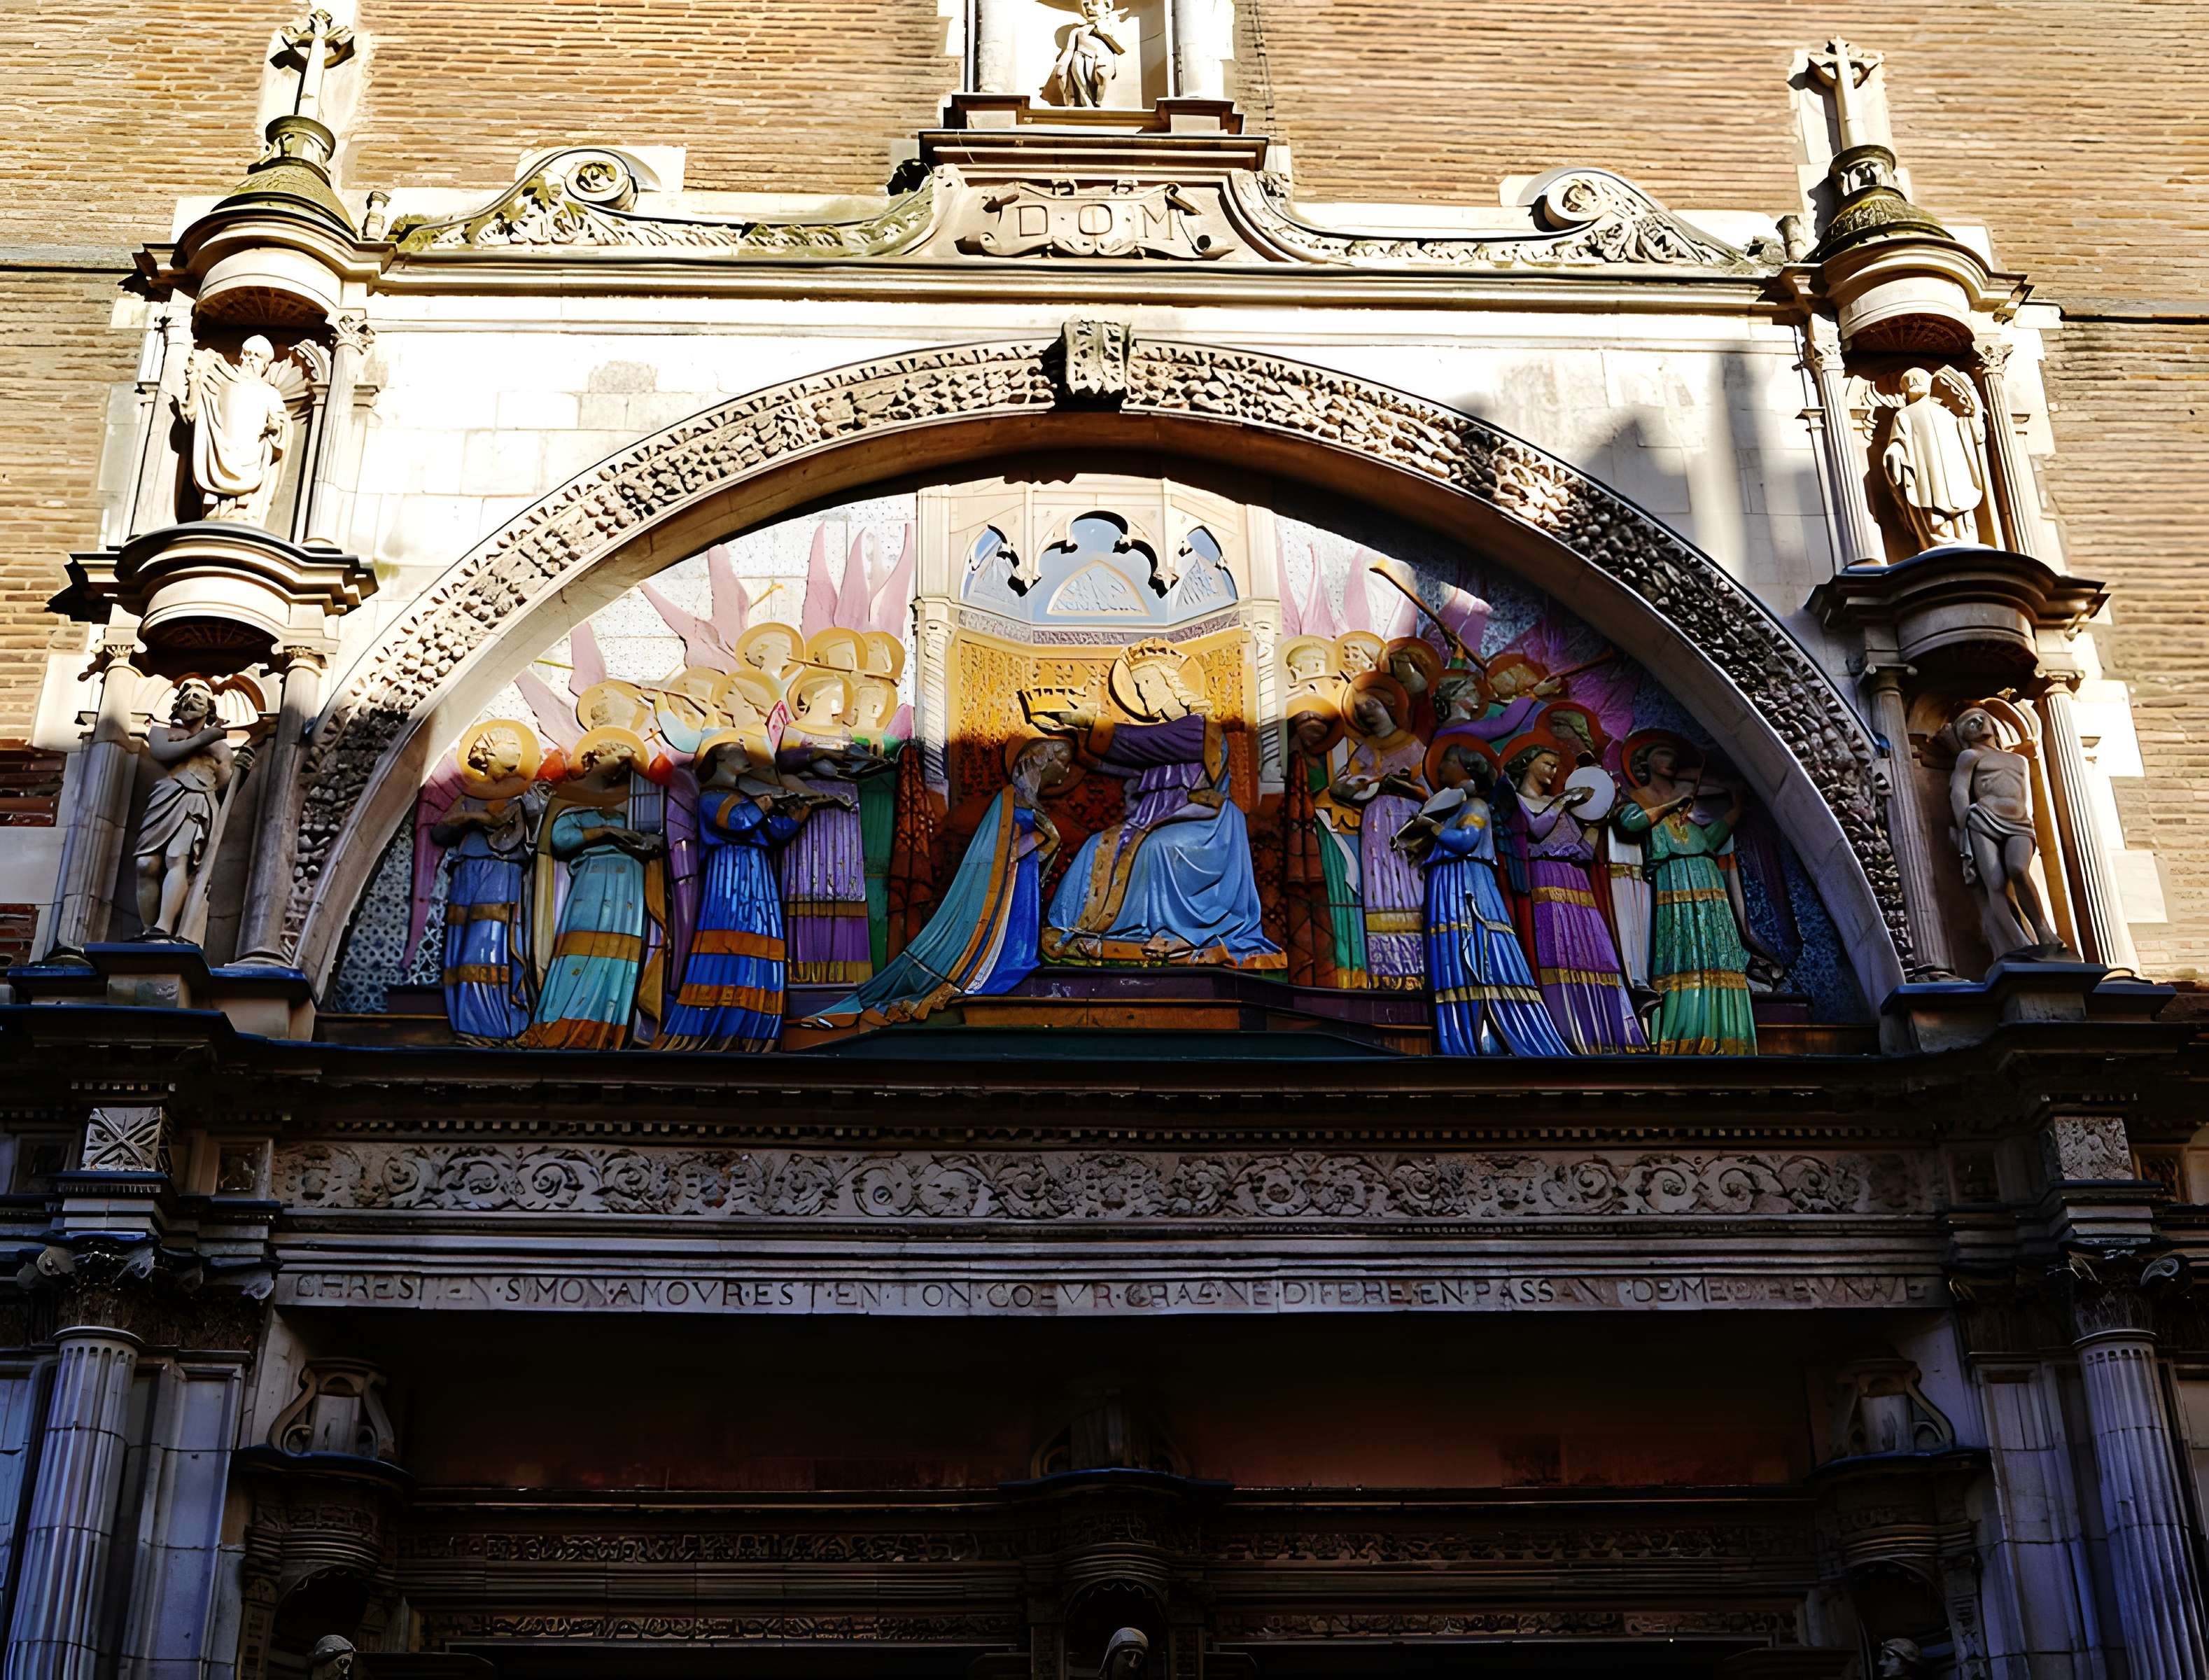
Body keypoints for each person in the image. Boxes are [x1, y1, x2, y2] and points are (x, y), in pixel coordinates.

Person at [1032, 648, 1280, 969]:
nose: (1143, 694)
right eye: (1137, 687)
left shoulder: (1199, 728)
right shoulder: (1162, 740)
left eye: (1148, 683)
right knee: (1097, 844)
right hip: (1159, 819)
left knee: (1158, 847)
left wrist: (1092, 722)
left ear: (1172, 682)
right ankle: (1073, 929)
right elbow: (1125, 764)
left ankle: (1167, 931)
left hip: (1207, 823)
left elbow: (1142, 743)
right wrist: (1074, 733)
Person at [811, 736, 1070, 1027]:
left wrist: (1046, 839)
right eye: (1063, 762)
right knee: (1002, 962)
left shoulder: (1028, 803)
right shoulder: (1009, 800)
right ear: (1042, 761)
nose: (1067, 772)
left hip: (1023, 885)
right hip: (1009, 890)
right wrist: (1043, 836)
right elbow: (1001, 852)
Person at [1400, 743, 1572, 1058]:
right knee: (1449, 955)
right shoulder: (1450, 810)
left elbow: (1466, 841)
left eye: (1448, 760)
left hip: (1466, 883)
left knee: (1476, 948)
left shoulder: (1476, 806)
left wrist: (1431, 828)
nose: (1440, 768)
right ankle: (1459, 1032)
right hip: (1444, 886)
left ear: (1467, 769)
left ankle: (1490, 1033)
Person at [660, 732, 824, 1052]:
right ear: (720, 758)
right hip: (729, 875)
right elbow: (736, 821)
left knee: (762, 937)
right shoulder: (710, 796)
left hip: (758, 874)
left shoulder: (744, 797)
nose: (746, 755)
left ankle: (755, 1025)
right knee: (730, 937)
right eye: (738, 751)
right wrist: (765, 802)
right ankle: (719, 1018)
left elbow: (773, 833)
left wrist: (800, 812)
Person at [521, 728, 666, 1051]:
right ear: (596, 756)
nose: (626, 767)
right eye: (620, 758)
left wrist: (644, 843)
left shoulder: (639, 800)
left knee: (623, 955)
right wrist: (606, 832)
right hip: (593, 881)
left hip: (631, 884)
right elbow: (560, 840)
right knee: (581, 948)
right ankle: (561, 1024)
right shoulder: (570, 796)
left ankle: (610, 1031)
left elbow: (655, 840)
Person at [1614, 733, 1757, 1055]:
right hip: (1674, 879)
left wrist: (1737, 806)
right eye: (1663, 754)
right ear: (1645, 763)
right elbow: (1629, 824)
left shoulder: (1688, 810)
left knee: (1718, 949)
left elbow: (1709, 841)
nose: (1672, 760)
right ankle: (1684, 1031)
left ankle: (1725, 1032)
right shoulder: (1639, 799)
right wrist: (1671, 805)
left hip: (1707, 878)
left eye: (1674, 756)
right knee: (1681, 948)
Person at [1501, 736, 1645, 1052]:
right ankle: (1567, 1030)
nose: (1554, 771)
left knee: (1594, 952)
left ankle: (1607, 1032)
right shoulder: (1518, 802)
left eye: (1556, 766)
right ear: (1527, 763)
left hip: (1577, 884)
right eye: (1548, 763)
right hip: (1546, 881)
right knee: (1557, 953)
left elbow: (1582, 852)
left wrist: (1600, 819)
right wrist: (1564, 801)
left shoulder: (1561, 809)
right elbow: (1535, 830)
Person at [429, 720, 543, 1043]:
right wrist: (472, 817)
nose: (519, 754)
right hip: (469, 870)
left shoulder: (525, 795)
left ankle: (497, 1021)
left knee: (492, 940)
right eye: (512, 747)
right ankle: (470, 1021)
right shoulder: (471, 795)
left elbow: (537, 835)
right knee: (468, 940)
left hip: (503, 871)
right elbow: (440, 832)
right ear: (490, 754)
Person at [776, 672, 876, 986]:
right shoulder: (795, 730)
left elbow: (860, 764)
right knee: (807, 875)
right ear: (816, 696)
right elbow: (783, 766)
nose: (841, 701)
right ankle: (804, 965)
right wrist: (815, 758)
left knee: (844, 876)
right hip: (811, 809)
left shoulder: (844, 733)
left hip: (845, 810)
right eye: (835, 694)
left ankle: (844, 969)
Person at [1332, 673, 1428, 986]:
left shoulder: (1412, 745)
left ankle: (1420, 967)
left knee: (1412, 886)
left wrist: (1399, 785)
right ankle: (1389, 972)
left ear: (1389, 705)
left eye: (1372, 705)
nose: (1367, 713)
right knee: (1381, 886)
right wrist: (1367, 785)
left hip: (1407, 819)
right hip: (1375, 824)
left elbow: (1428, 789)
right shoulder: (1365, 750)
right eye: (1360, 710)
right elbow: (1339, 787)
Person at [134, 678, 247, 939]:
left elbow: (225, 782)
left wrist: (238, 768)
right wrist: (206, 738)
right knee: (145, 864)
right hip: (165, 796)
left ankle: (163, 926)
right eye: (185, 698)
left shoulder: (221, 748)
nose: (190, 701)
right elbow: (162, 753)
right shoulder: (161, 733)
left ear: (209, 709)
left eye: (198, 698)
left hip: (197, 799)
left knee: (177, 858)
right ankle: (147, 931)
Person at [1280, 696, 1366, 989]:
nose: (1310, 736)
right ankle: (1341, 966)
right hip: (1322, 831)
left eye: (1316, 727)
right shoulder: (1296, 760)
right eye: (1303, 726)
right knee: (1334, 896)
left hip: (1346, 830)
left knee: (1350, 893)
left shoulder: (1348, 754)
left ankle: (1355, 966)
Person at [1051, 0, 1126, 106]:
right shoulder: (1078, 31)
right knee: (1078, 70)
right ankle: (1087, 103)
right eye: (1085, 4)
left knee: (1102, 79)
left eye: (1095, 3)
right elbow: (1070, 50)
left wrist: (1107, 23)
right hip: (1081, 61)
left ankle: (1099, 103)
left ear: (1108, 6)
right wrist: (1062, 65)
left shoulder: (1109, 25)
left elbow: (1118, 47)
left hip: (1102, 61)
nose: (1089, 8)